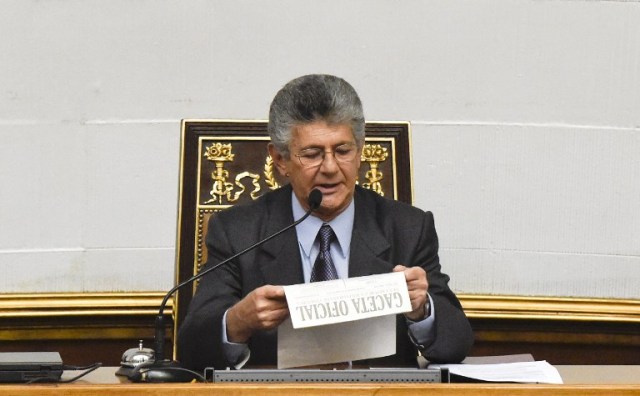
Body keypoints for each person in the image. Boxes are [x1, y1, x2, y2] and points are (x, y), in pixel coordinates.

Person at [177, 74, 473, 371]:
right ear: (280, 160)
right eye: (312, 154)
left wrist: (421, 310)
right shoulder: (237, 232)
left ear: (360, 152)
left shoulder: (408, 228)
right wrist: (238, 322)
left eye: (343, 151)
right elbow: (191, 351)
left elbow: (456, 343)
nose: (330, 168)